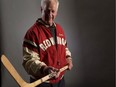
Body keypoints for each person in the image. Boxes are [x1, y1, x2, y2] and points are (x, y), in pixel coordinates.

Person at [22, 0, 73, 87]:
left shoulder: (60, 29)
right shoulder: (32, 33)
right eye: (47, 11)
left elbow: (64, 48)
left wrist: (68, 58)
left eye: (53, 11)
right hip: (42, 83)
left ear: (56, 12)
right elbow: (29, 61)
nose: (50, 15)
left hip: (60, 81)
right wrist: (45, 69)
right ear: (41, 9)